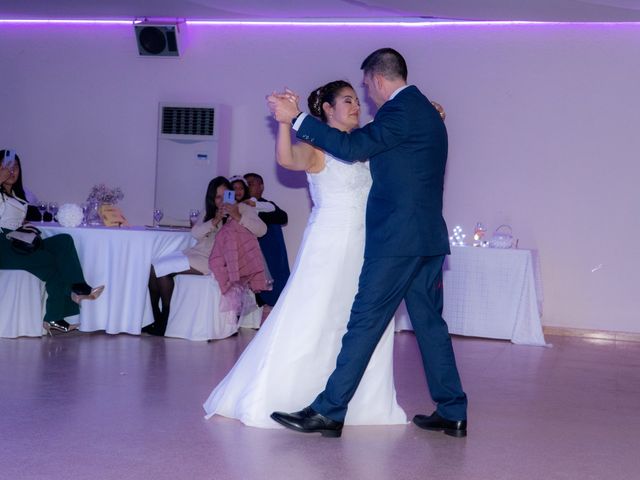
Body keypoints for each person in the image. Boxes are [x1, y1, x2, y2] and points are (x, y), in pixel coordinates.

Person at [267, 48, 468, 438]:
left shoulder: (400, 111)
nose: (366, 97)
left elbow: (353, 148)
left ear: (377, 79)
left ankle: (329, 411)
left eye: (365, 88)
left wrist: (298, 119)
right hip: (426, 238)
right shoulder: (424, 111)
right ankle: (453, 408)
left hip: (397, 240)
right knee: (429, 325)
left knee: (364, 322)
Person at [203, 80, 406, 428]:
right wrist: (284, 121)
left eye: (358, 100)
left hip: (365, 247)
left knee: (356, 321)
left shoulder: (363, 148)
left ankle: (354, 402)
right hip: (329, 246)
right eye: (347, 101)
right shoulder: (316, 147)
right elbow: (286, 158)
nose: (356, 106)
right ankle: (288, 393)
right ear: (327, 109)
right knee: (314, 317)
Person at [144, 176, 267, 336]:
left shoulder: (243, 209)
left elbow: (262, 230)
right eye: (217, 197)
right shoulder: (210, 212)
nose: (222, 200)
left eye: (226, 195)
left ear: (231, 194)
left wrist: (237, 216)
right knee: (154, 266)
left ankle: (165, 320)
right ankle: (157, 317)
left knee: (162, 270)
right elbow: (195, 233)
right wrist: (215, 220)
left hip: (215, 261)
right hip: (196, 254)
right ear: (212, 199)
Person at [0, 149, 104, 334]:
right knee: (50, 262)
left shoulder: (19, 195)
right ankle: (54, 316)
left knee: (63, 241)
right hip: (3, 246)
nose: (11, 171)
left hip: (19, 241)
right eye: (6, 167)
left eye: (15, 167)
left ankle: (79, 287)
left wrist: (25, 226)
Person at [243, 172, 290, 311]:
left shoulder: (267, 205)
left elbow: (283, 217)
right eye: (245, 184)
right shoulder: (240, 206)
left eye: (250, 184)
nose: (247, 187)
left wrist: (256, 209)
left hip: (271, 250)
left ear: (261, 187)